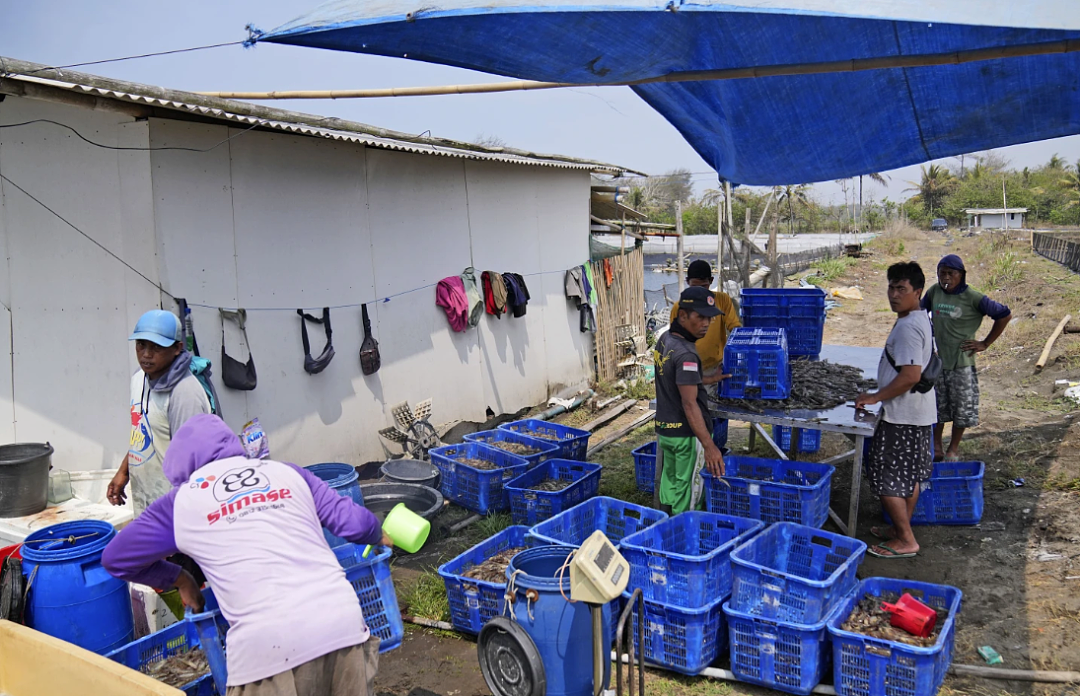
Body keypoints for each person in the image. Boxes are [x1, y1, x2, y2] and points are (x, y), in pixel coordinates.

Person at [102, 414, 392, 696]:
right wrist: (378, 534)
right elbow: (352, 521)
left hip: (266, 653)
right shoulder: (286, 472)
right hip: (341, 625)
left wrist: (180, 579)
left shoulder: (181, 502)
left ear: (180, 468)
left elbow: (116, 557)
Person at [855, 262, 937, 559]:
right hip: (918, 414)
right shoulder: (918, 318)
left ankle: (906, 539)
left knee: (888, 479)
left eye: (901, 289)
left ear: (917, 292)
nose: (893, 294)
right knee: (908, 477)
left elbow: (911, 375)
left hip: (902, 416)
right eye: (891, 287)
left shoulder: (908, 328)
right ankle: (899, 528)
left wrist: (876, 397)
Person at [109, 309, 212, 513]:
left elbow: (192, 466)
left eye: (157, 347)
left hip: (173, 508)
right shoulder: (139, 378)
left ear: (177, 348)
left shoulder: (185, 393)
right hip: (146, 497)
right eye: (141, 345)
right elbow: (143, 430)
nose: (146, 354)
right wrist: (124, 471)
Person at [921, 254, 1011, 461]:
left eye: (950, 274)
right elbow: (919, 313)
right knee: (936, 407)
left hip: (962, 363)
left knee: (962, 408)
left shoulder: (973, 297)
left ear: (961, 275)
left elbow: (1004, 315)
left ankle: (953, 448)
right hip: (938, 362)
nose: (945, 278)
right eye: (941, 273)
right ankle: (936, 446)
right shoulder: (934, 292)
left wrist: (985, 343)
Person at [654, 286, 726, 514]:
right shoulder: (687, 354)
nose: (706, 323)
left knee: (672, 484)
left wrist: (708, 378)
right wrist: (709, 446)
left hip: (665, 430)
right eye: (700, 317)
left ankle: (665, 527)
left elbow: (676, 378)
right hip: (687, 437)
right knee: (689, 498)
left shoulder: (665, 339)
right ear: (683, 315)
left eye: (709, 318)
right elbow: (689, 403)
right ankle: (683, 540)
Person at [668, 260, 742, 392]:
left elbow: (734, 327)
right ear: (687, 281)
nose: (699, 293)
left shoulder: (722, 300)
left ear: (711, 281)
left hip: (716, 367)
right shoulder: (678, 308)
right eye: (694, 287)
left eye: (704, 287)